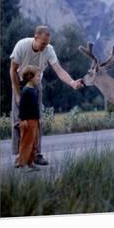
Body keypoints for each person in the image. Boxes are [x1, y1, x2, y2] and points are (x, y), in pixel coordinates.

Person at [9, 25, 83, 165]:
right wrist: (18, 94)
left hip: (37, 85)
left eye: (47, 43)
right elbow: (12, 71)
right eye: (43, 43)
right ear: (35, 37)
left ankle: (36, 154)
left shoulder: (49, 50)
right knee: (19, 122)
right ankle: (20, 155)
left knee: (37, 121)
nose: (45, 46)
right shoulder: (22, 45)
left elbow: (59, 70)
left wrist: (72, 83)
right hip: (20, 83)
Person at [16, 65, 41, 171]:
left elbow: (35, 107)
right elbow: (22, 107)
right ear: (30, 77)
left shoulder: (34, 90)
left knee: (34, 143)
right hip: (27, 121)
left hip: (34, 121)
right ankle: (22, 164)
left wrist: (39, 118)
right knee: (26, 143)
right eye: (38, 76)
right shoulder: (26, 91)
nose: (39, 78)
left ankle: (30, 162)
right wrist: (23, 120)